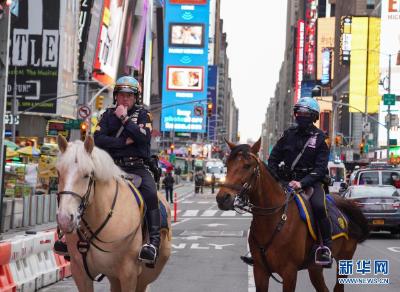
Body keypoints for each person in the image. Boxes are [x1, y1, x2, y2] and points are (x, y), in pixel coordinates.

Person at [241, 97, 331, 267]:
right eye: (298, 113)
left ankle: (325, 246)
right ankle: (257, 248)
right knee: (264, 206)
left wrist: (302, 183)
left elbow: (320, 169)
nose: (301, 116)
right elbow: (273, 159)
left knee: (319, 206)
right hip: (286, 181)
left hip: (311, 183)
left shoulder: (321, 138)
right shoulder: (288, 135)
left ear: (314, 117)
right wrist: (276, 178)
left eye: (305, 113)